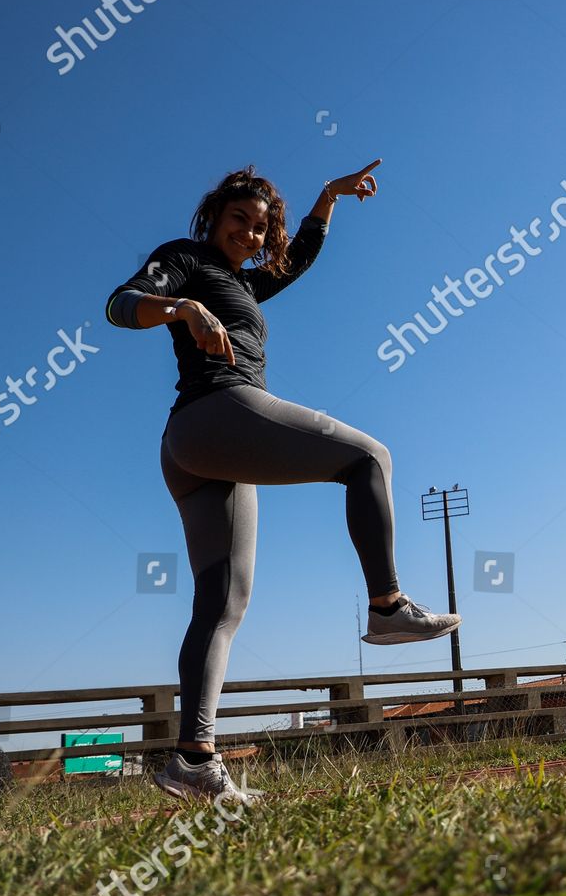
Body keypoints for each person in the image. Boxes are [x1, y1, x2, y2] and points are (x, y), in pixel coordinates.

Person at [105, 161, 461, 805]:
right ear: (213, 216)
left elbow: (294, 263)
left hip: (201, 451)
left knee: (222, 603)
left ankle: (195, 759)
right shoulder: (186, 259)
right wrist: (182, 308)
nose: (250, 232)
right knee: (368, 458)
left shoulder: (242, 284)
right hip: (213, 418)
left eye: (261, 225)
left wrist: (328, 199)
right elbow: (119, 305)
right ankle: (387, 608)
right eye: (239, 218)